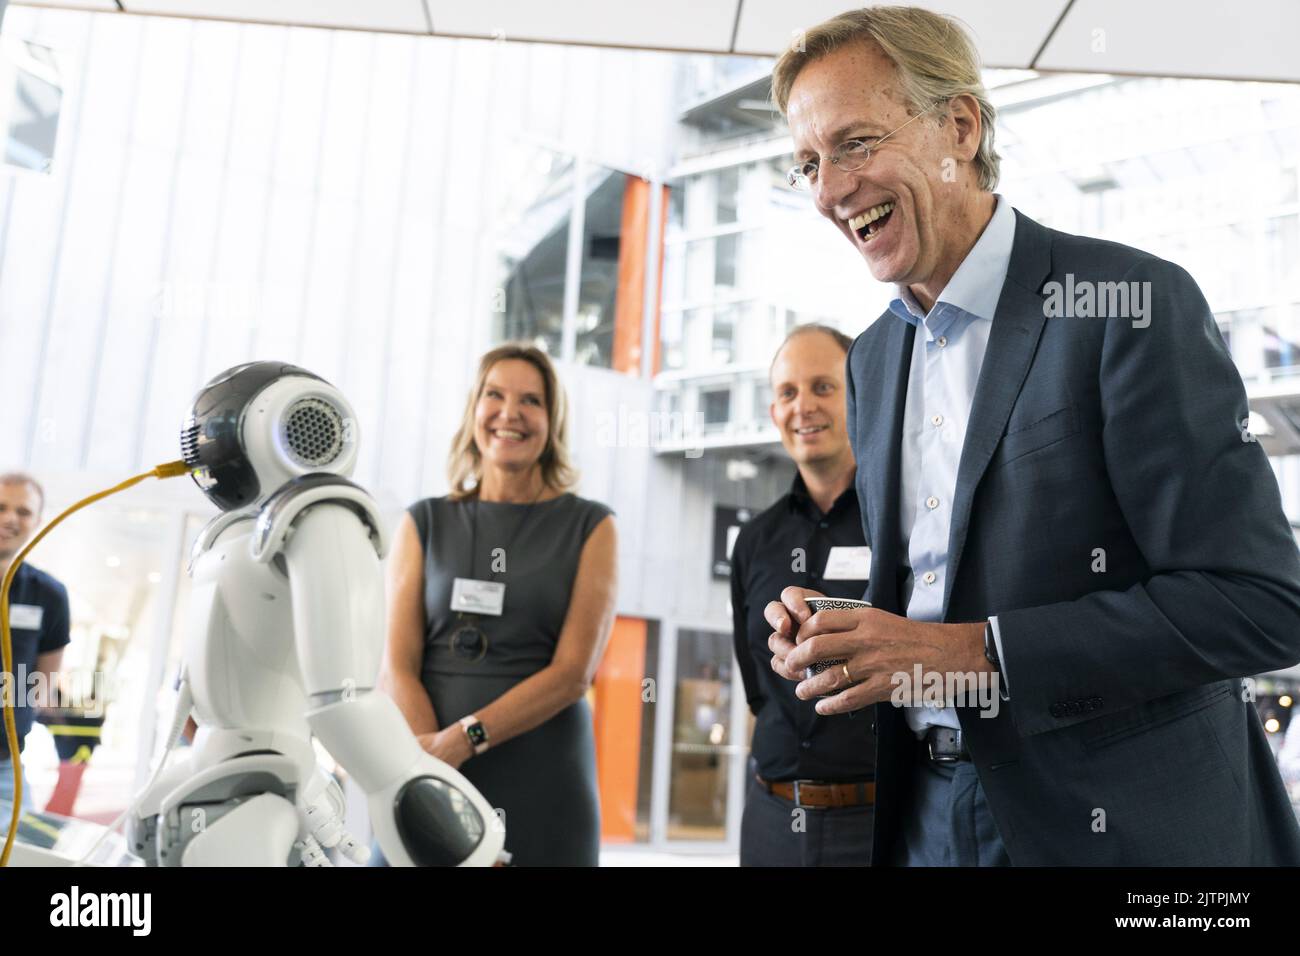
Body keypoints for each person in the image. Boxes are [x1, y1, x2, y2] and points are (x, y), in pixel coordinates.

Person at [763, 6, 1300, 865]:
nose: (829, 190)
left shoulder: (1127, 303)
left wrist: (970, 653)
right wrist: (850, 635)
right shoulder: (871, 359)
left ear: (961, 126)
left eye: (856, 144)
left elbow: (1261, 602)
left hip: (1116, 830)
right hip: (923, 819)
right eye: (809, 163)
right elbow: (935, 599)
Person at [380, 343, 617, 866]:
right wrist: (431, 760)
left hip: (544, 779)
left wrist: (463, 740)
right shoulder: (423, 521)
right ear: (474, 410)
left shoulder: (591, 526)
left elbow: (573, 673)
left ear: (551, 421)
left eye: (530, 400)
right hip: (428, 770)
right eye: (495, 395)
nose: (510, 413)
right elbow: (396, 664)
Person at [730, 324, 875, 866]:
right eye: (788, 392)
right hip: (771, 820)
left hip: (881, 821)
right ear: (774, 412)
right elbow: (756, 687)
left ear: (858, 393)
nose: (803, 406)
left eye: (822, 387)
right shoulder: (753, 541)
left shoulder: (907, 523)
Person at [0, 472, 70, 814]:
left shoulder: (49, 595)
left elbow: (43, 685)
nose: (10, 518)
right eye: (1, 507)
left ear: (37, 521)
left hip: (4, 766)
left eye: (23, 511)